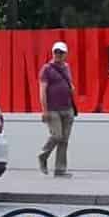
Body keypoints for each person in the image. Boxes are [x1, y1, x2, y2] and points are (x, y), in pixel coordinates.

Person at [37, 40, 76, 178]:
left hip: (68, 108)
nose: (58, 54)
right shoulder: (46, 69)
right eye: (56, 52)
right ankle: (43, 155)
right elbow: (42, 90)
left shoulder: (66, 67)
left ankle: (60, 170)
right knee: (57, 136)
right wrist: (44, 110)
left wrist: (71, 87)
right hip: (53, 109)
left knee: (64, 140)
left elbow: (68, 82)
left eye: (61, 52)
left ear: (66, 54)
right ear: (52, 53)